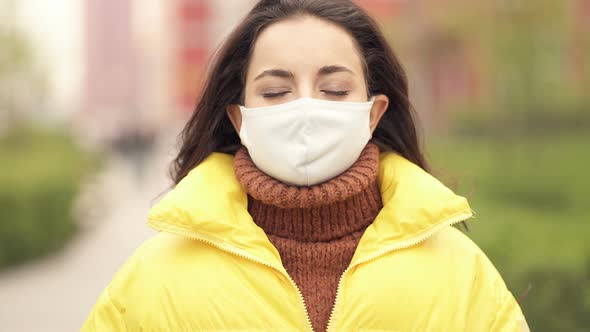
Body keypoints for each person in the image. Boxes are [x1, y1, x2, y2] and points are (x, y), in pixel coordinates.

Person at [82, 0, 529, 331]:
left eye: (334, 90)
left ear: (373, 113)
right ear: (239, 119)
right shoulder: (151, 283)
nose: (306, 110)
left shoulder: (460, 272)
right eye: (276, 92)